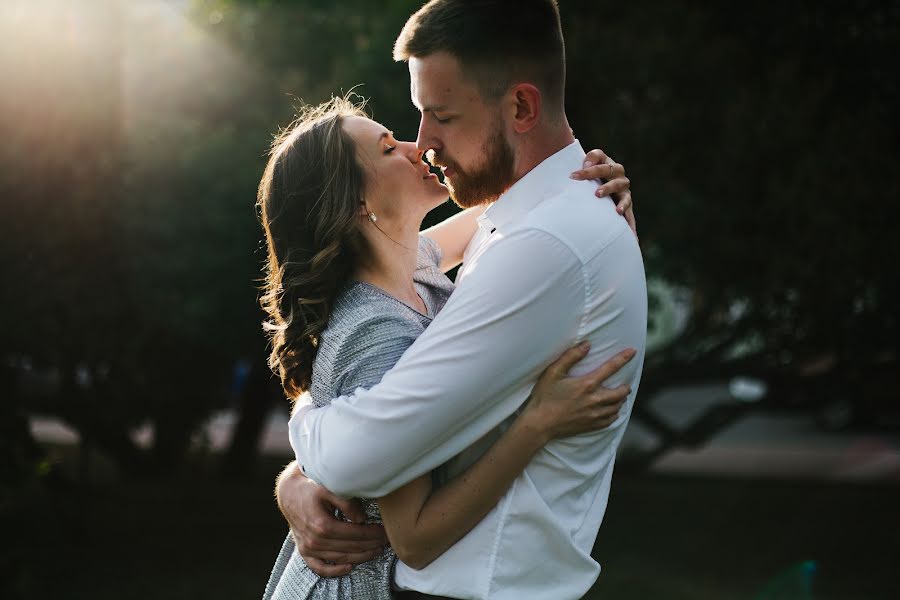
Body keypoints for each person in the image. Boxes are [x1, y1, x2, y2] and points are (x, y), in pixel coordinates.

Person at [278, 1, 648, 599]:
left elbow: (357, 454)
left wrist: (305, 424)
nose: (422, 143)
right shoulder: (519, 225)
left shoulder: (543, 243)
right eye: (413, 122)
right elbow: (379, 400)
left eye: (441, 116)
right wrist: (297, 472)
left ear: (522, 106)